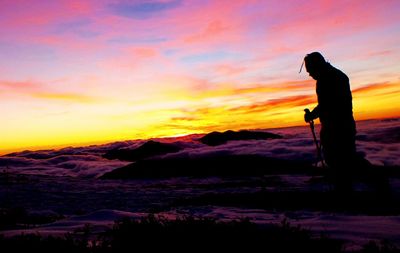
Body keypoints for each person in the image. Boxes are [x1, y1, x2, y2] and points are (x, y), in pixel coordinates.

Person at [303, 52, 357, 191]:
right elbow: (326, 104)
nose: (309, 74)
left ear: (317, 65)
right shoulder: (332, 76)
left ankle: (346, 190)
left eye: (310, 70)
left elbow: (328, 104)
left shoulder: (328, 78)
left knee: (343, 159)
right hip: (338, 125)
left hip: (338, 127)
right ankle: (344, 188)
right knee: (341, 159)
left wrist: (312, 115)